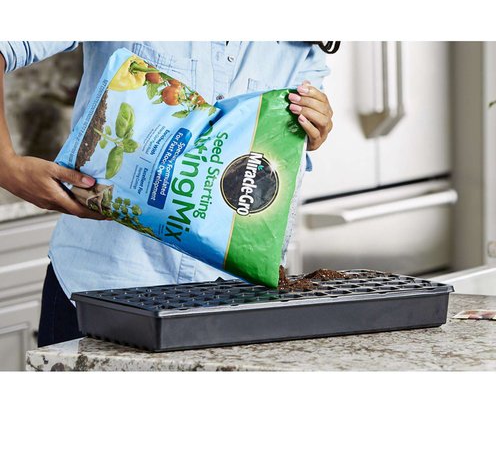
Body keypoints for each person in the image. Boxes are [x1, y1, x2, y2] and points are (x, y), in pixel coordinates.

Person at [0, 41, 334, 346]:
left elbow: (274, 156)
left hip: (236, 303)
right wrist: (7, 168)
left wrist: (310, 127)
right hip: (101, 295)